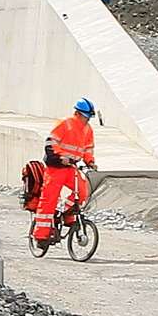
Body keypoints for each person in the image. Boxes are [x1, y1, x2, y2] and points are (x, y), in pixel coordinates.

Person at [32, 97, 98, 245]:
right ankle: (40, 236)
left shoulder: (87, 130)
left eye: (89, 118)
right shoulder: (65, 124)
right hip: (55, 168)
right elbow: (50, 144)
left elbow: (88, 148)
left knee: (83, 192)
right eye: (86, 117)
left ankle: (67, 214)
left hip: (71, 168)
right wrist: (59, 157)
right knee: (49, 200)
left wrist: (90, 161)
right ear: (78, 113)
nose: (87, 120)